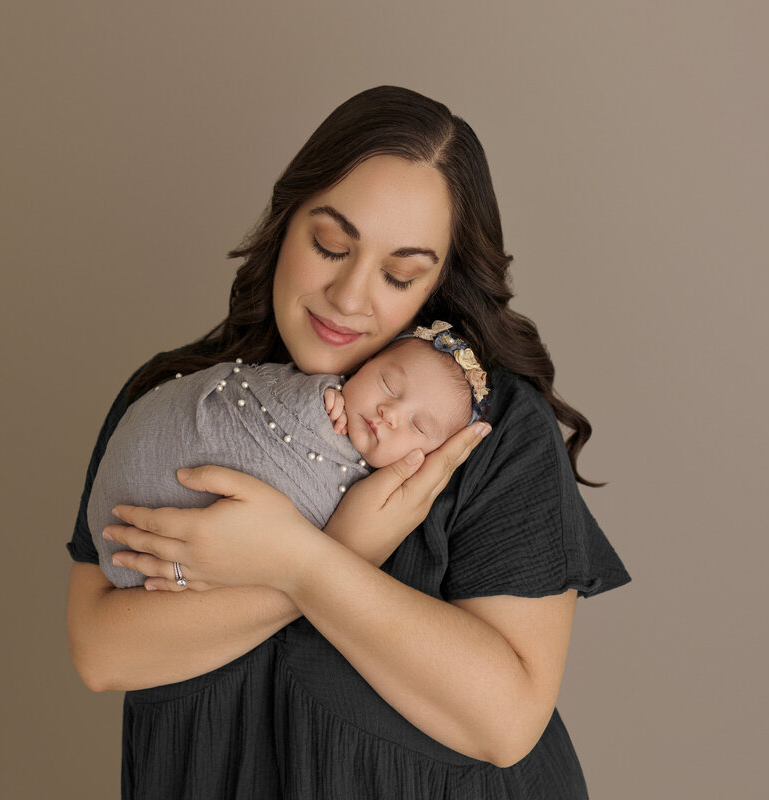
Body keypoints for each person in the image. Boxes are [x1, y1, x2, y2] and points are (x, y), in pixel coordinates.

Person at [66, 85, 630, 799]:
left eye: (400, 274)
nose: (351, 296)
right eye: (331, 245)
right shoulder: (182, 404)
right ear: (286, 220)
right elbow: (101, 651)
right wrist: (334, 556)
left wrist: (303, 561)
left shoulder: (485, 434)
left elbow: (507, 718)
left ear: (437, 283)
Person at [90, 323, 490, 589]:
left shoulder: (382, 501)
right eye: (387, 383)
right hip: (142, 497)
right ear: (363, 365)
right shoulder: (319, 398)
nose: (390, 413)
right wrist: (323, 398)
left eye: (418, 427)